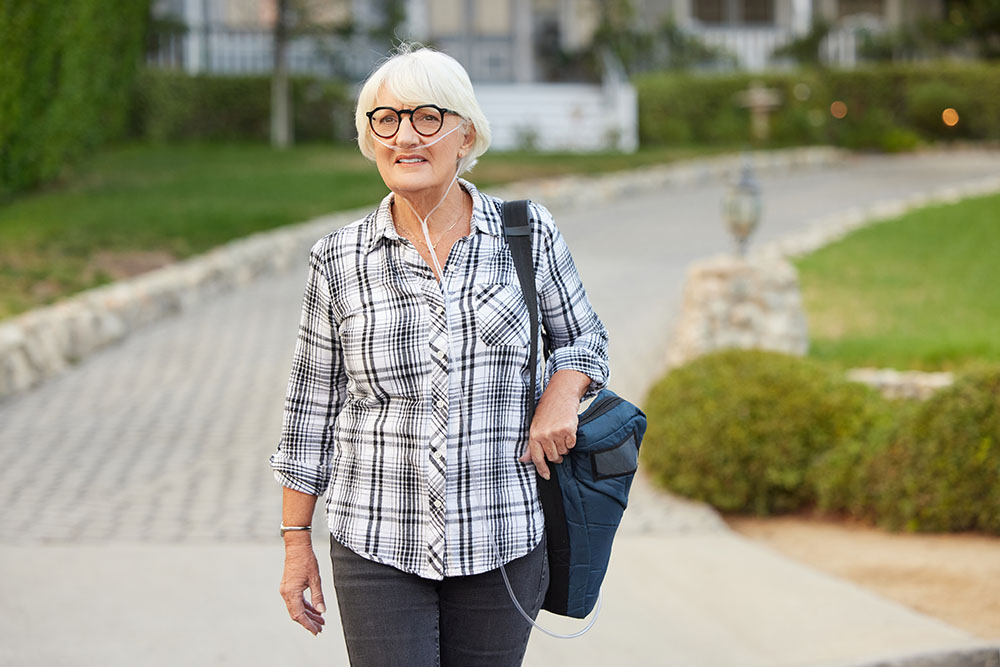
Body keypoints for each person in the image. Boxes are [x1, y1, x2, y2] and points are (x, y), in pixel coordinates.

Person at [270, 43, 609, 667]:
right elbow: (309, 413)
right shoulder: (339, 258)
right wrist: (296, 543)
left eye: (427, 118)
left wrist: (562, 392)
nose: (405, 136)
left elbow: (584, 337)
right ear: (372, 140)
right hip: (377, 543)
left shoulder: (525, 234)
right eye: (386, 120)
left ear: (466, 135)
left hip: (502, 534)